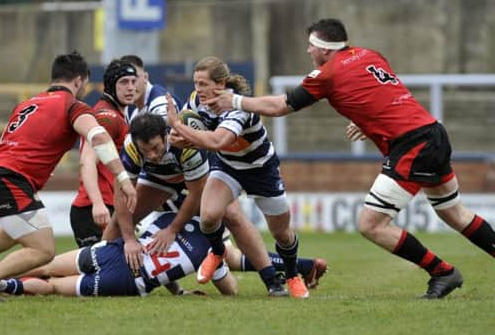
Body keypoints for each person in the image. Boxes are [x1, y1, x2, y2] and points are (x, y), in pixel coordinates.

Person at [205, 18, 495, 299]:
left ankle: (442, 271)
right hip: (433, 133)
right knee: (453, 213)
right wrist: (367, 120)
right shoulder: (370, 54)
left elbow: (282, 105)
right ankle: (444, 272)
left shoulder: (328, 73)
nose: (308, 51)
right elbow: (382, 91)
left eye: (311, 46)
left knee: (371, 224)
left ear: (325, 48)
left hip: (412, 144)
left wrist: (236, 101)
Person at [0, 51, 137, 302]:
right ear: (79, 81)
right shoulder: (73, 105)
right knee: (43, 249)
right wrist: (122, 177)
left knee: (18, 228)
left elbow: (17, 142)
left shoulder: (28, 103)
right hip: (9, 177)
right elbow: (98, 138)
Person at [104, 112, 298, 296]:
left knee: (232, 216)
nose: (152, 155)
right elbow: (122, 193)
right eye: (146, 151)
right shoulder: (131, 147)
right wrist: (129, 239)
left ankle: (271, 279)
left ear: (165, 135)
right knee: (118, 222)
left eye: (156, 148)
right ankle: (100, 270)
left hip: (201, 176)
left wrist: (172, 230)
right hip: (160, 179)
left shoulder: (182, 143)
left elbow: (195, 193)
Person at [165, 57, 310, 299]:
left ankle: (293, 275)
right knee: (209, 216)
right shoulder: (195, 101)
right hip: (228, 166)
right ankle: (218, 251)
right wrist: (177, 135)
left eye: (203, 84)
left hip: (261, 169)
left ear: (220, 84)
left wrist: (177, 126)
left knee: (281, 233)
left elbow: (217, 141)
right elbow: (186, 136)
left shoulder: (237, 107)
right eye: (195, 83)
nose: (197, 89)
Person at [0, 212, 327, 298]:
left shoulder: (166, 219)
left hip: (114, 253)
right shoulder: (210, 249)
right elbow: (231, 286)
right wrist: (181, 284)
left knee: (47, 264)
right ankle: (1, 288)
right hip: (128, 281)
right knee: (52, 287)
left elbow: (143, 236)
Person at [70, 59, 138, 247]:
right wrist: (98, 203)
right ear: (110, 86)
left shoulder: (118, 114)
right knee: (95, 273)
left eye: (133, 81)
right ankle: (22, 276)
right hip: (94, 209)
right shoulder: (107, 117)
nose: (131, 87)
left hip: (109, 206)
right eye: (124, 82)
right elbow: (87, 160)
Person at [121, 54, 180, 122]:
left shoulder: (160, 102)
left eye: (134, 79)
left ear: (145, 77)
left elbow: (164, 133)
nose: (130, 87)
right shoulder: (130, 109)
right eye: (124, 81)